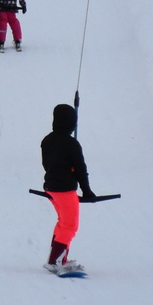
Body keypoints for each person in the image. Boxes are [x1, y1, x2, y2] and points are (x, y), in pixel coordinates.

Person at [41, 102, 95, 274]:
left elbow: (46, 164)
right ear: (71, 123)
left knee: (63, 223)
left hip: (50, 188)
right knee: (70, 225)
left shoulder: (47, 140)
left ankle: (59, 259)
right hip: (64, 190)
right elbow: (80, 169)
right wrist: (86, 190)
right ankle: (55, 262)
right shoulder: (72, 144)